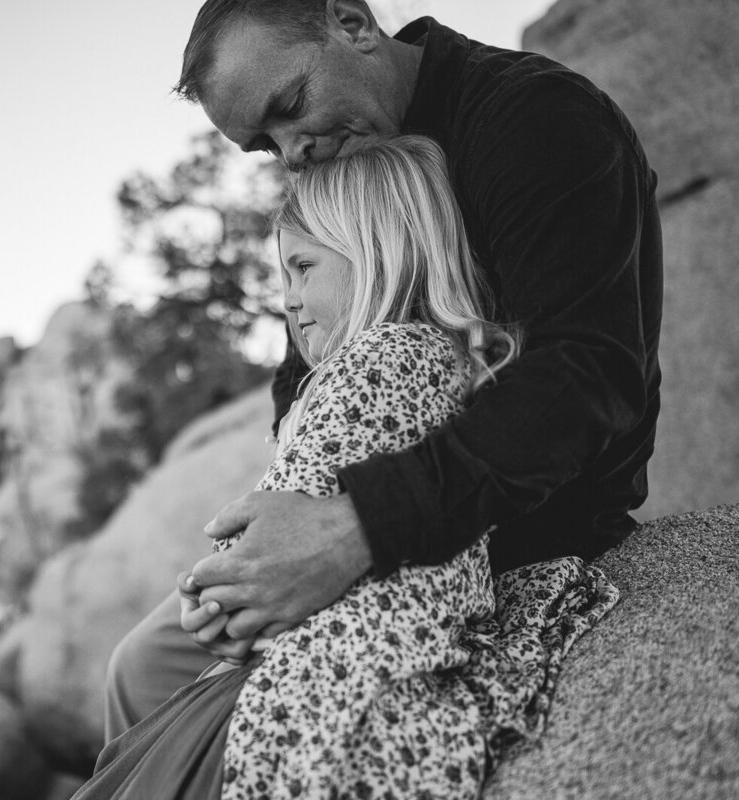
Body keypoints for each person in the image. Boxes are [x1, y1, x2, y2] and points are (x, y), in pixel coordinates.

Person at [105, 0, 661, 738]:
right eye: (266, 146)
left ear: (352, 23)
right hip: (370, 518)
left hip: (527, 535)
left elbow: (585, 377)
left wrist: (351, 528)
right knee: (141, 669)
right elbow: (301, 359)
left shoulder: (535, 122)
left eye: (290, 106)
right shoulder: (341, 161)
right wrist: (286, 505)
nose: (292, 151)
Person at [76, 135, 618, 799]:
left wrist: (214, 590)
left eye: (303, 268)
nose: (290, 299)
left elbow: (270, 533)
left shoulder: (375, 367)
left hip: (327, 673)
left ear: (373, 254)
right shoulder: (433, 359)